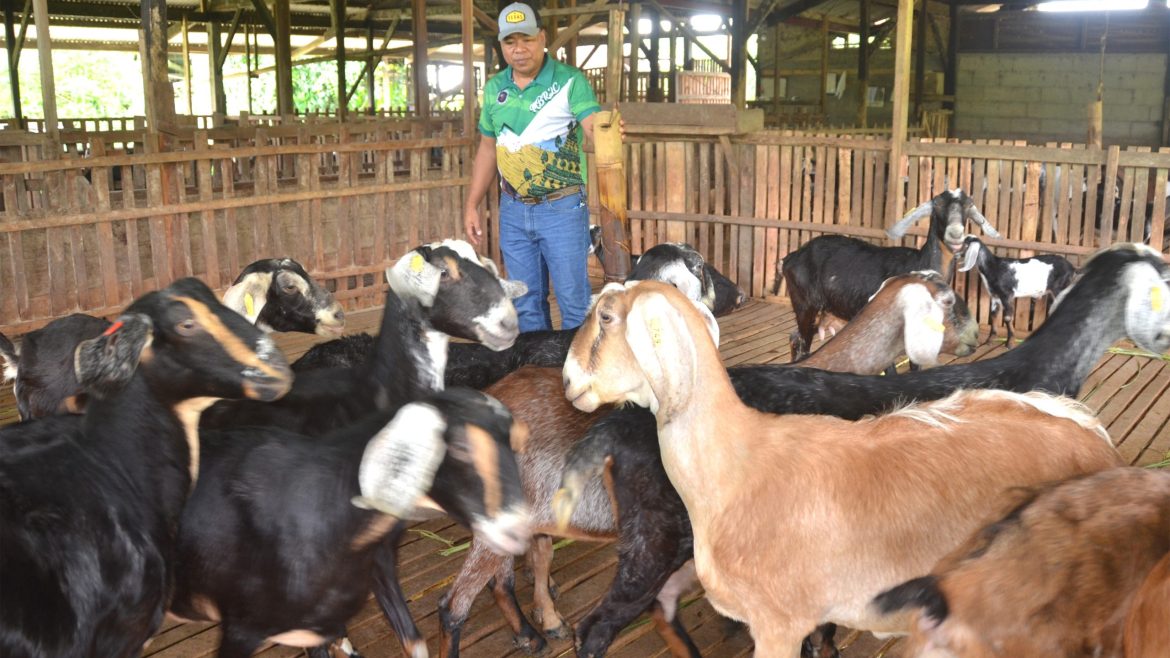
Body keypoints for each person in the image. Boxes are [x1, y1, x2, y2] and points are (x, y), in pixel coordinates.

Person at [464, 1, 601, 332]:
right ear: (502, 46)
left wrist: (608, 131)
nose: (519, 50)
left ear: (542, 38)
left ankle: (577, 380)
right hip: (512, 210)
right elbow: (487, 148)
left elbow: (594, 126)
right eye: (510, 42)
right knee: (525, 304)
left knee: (573, 301)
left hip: (562, 208)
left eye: (526, 39)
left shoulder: (570, 82)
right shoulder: (495, 88)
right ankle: (538, 377)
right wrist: (471, 204)